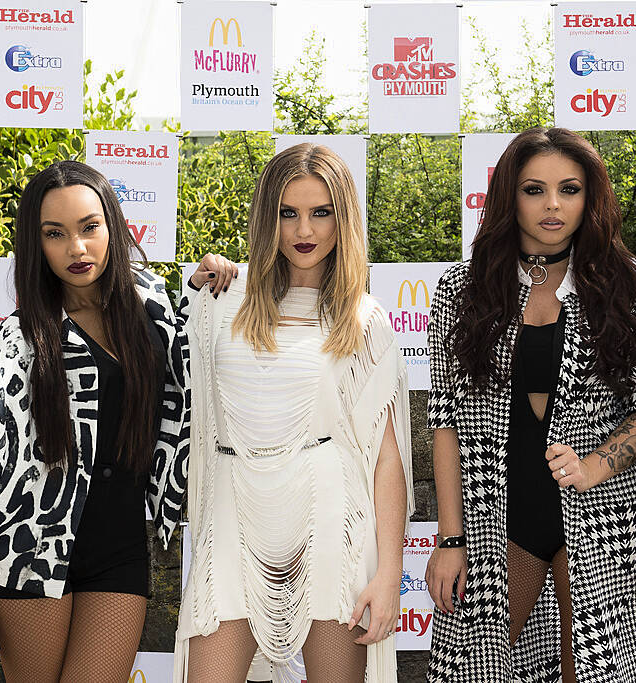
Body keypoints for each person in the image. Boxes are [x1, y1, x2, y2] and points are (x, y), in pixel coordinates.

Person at [0, 160, 237, 682]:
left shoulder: (153, 308)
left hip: (119, 543)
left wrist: (205, 282)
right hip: (28, 548)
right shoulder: (17, 341)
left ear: (113, 228)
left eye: (89, 227)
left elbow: (193, 366)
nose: (77, 248)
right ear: (36, 244)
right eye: (55, 234)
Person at [424, 127, 636, 682]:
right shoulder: (462, 289)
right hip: (495, 519)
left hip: (605, 518)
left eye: (570, 189)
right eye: (534, 189)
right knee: (468, 672)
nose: (553, 205)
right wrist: (449, 539)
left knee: (595, 672)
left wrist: (595, 465)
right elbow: (444, 420)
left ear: (591, 199)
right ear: (508, 197)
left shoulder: (622, 288)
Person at [175, 143, 413, 682]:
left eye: (321, 211)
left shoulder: (364, 319)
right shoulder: (222, 300)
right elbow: (169, 367)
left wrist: (390, 574)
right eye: (288, 213)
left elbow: (387, 458)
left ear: (343, 218)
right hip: (234, 511)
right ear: (268, 219)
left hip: (329, 516)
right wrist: (200, 281)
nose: (304, 229)